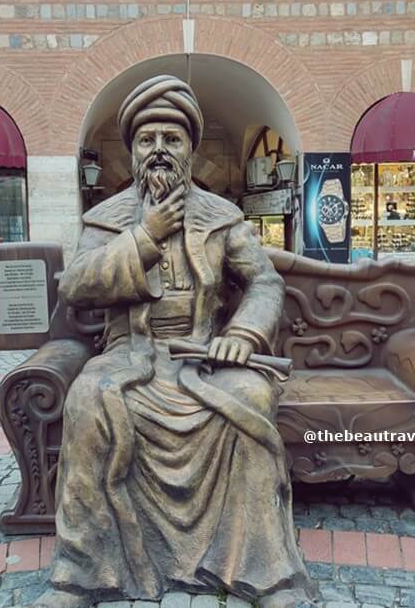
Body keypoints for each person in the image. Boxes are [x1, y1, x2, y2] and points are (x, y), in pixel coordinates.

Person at [34, 75, 315, 608]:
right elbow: (74, 286)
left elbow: (264, 281)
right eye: (147, 140)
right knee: (87, 400)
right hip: (129, 356)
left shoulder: (223, 217)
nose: (159, 151)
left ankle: (266, 574)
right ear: (133, 149)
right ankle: (80, 576)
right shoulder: (108, 217)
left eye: (172, 139)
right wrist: (144, 236)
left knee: (251, 398)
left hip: (205, 357)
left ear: (190, 148)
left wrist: (243, 333)